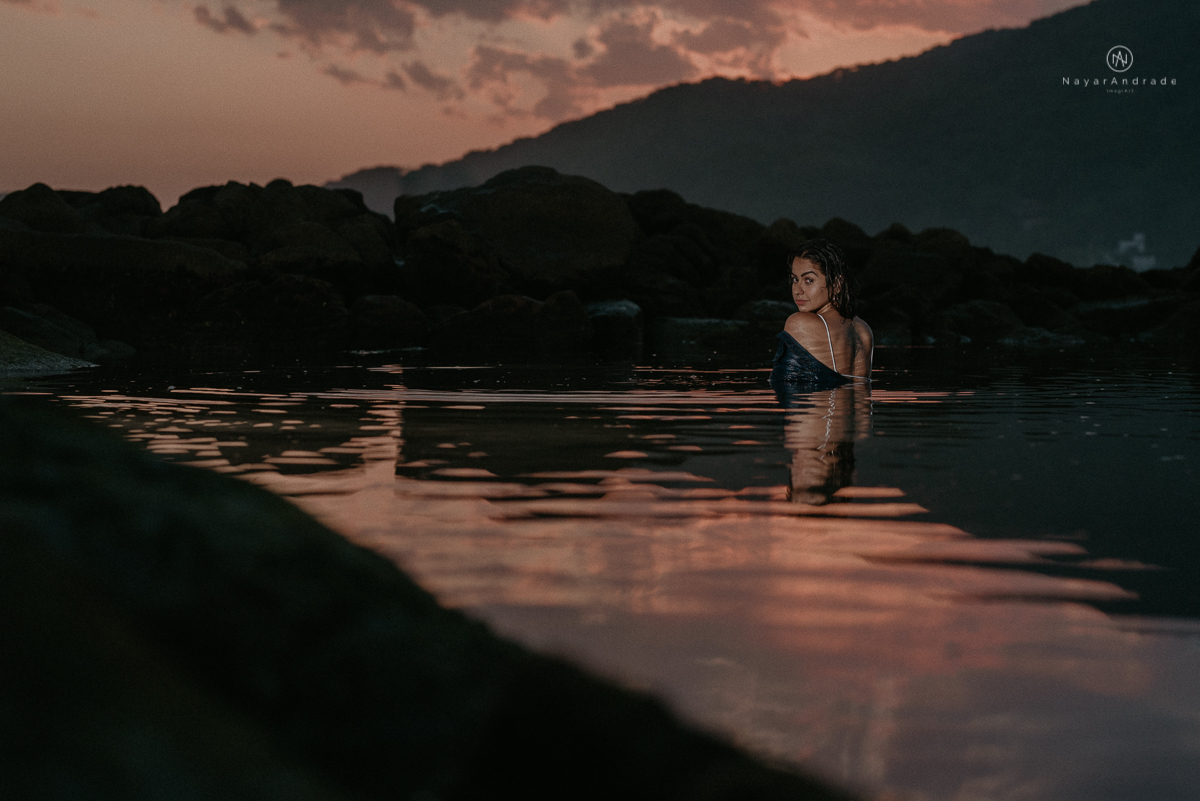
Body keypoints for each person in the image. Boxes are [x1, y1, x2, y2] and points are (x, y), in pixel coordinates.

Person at [770, 239, 873, 390]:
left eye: (809, 280)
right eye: (795, 279)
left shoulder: (800, 322)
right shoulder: (864, 330)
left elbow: (781, 386)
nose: (797, 290)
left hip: (815, 412)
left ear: (837, 284)